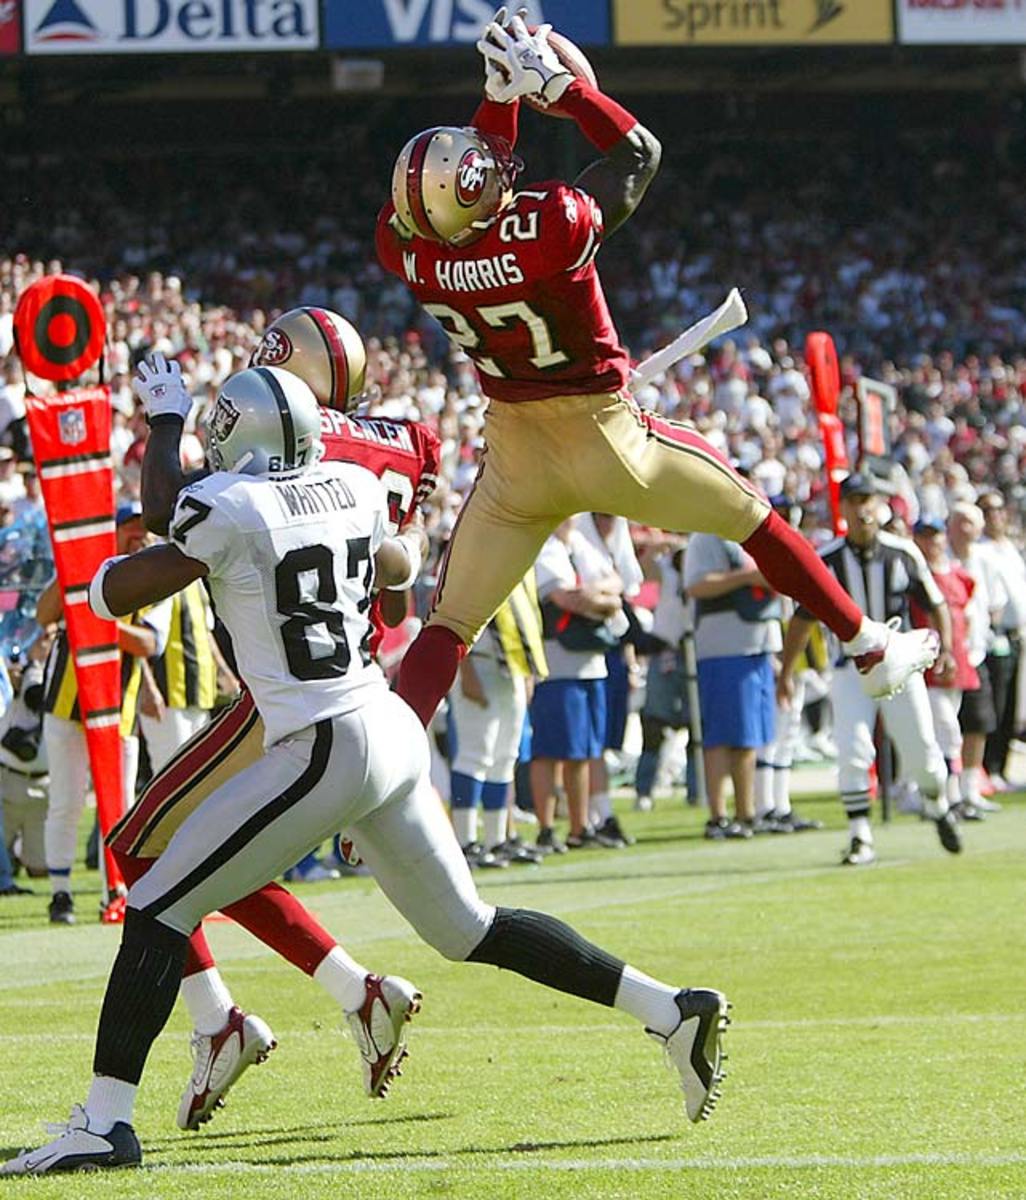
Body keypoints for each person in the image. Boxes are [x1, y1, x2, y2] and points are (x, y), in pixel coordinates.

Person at [3, 368, 729, 1175]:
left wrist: (161, 434)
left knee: (154, 906)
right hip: (387, 726)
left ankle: (106, 1122)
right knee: (468, 928)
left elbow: (125, 578)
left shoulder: (230, 506)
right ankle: (671, 1009)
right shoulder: (351, 486)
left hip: (319, 742)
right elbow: (397, 574)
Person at [381, 10, 939, 739]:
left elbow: (469, 191)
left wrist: (498, 102)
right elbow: (637, 153)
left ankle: (381, 766)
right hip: (607, 437)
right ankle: (868, 645)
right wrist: (564, 92)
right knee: (757, 519)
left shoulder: (407, 251)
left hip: (514, 457)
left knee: (449, 624)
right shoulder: (551, 224)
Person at [115, 311, 439, 1125]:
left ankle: (223, 1022)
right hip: (355, 681)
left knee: (144, 850)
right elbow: (396, 599)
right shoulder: (392, 448)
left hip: (290, 695)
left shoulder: (283, 457)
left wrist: (166, 423)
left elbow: (169, 517)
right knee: (197, 852)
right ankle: (341, 995)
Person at [777, 474, 961, 867]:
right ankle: (859, 835)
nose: (863, 510)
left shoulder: (902, 553)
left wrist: (946, 648)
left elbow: (935, 602)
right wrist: (786, 672)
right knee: (852, 749)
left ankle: (937, 804)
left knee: (922, 751)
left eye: (868, 500)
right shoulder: (827, 558)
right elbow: (802, 620)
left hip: (899, 667)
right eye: (855, 501)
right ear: (843, 507)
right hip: (850, 668)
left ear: (879, 505)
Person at [35, 504, 172, 924]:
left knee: (119, 805)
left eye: (142, 529)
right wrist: (70, 572)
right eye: (129, 529)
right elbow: (43, 614)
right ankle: (60, 893)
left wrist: (88, 620)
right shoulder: (85, 566)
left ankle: (116, 890)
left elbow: (149, 644)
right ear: (111, 532)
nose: (138, 536)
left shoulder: (156, 576)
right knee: (67, 801)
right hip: (66, 701)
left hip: (118, 707)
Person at [683, 531, 782, 840]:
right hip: (724, 647)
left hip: (757, 645)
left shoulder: (751, 534)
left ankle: (746, 812)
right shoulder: (704, 537)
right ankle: (718, 815)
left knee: (749, 736)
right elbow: (696, 585)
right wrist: (747, 577)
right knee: (723, 735)